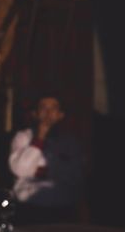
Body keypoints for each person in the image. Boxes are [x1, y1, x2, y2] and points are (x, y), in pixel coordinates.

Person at [8, 94, 85, 224]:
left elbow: (74, 177)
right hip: (29, 208)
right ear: (35, 114)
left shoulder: (70, 142)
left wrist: (38, 171)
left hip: (61, 211)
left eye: (53, 108)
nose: (48, 113)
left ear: (60, 115)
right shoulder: (22, 137)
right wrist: (40, 137)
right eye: (43, 108)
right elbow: (20, 171)